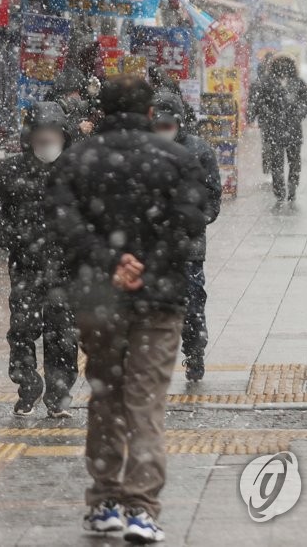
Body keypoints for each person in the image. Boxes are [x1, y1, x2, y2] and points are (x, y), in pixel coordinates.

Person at [48, 75, 206, 543]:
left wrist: (111, 262)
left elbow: (63, 221)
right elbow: (190, 223)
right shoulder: (178, 160)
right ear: (148, 110)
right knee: (146, 400)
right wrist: (147, 264)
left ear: (103, 106)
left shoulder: (78, 159)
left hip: (100, 297)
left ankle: (104, 502)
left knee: (105, 395)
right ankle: (142, 508)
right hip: (159, 298)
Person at [0, 102, 78, 418]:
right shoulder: (12, 171)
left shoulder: (76, 170)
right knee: (22, 330)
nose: (47, 140)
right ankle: (27, 386)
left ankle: (59, 394)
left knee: (63, 333)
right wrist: (14, 239)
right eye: (41, 134)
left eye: (53, 133)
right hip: (25, 266)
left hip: (66, 269)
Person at [152, 92, 222, 382]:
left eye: (168, 124)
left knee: (192, 300)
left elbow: (212, 195)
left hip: (188, 244)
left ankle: (195, 352)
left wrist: (194, 220)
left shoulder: (198, 150)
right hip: (153, 244)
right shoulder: (145, 150)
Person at [249, 53, 307, 204]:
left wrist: (298, 114)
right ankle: (279, 190)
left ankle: (292, 186)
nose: (283, 67)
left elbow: (306, 102)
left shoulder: (298, 82)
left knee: (294, 161)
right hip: (274, 128)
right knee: (277, 162)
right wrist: (265, 114)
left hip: (292, 128)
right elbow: (257, 101)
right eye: (280, 63)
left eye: (287, 63)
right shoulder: (266, 82)